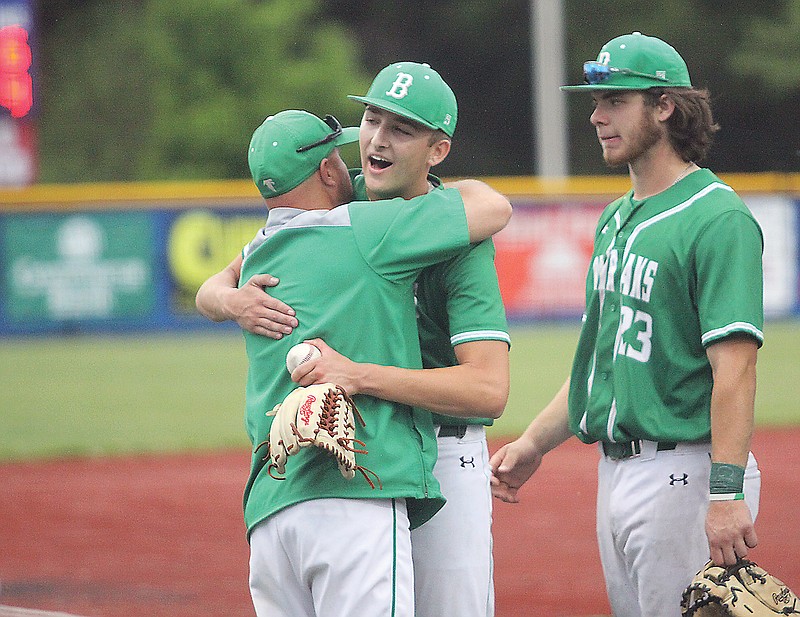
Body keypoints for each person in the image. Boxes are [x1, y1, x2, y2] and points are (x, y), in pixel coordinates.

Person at [196, 62, 511, 617]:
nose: (377, 140)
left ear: (438, 150)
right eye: (371, 119)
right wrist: (231, 299)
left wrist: (359, 376)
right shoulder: (340, 202)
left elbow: (488, 391)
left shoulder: (461, 234)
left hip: (442, 444)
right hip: (359, 446)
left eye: (402, 129)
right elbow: (219, 282)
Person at [490, 32, 764, 617]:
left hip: (685, 474)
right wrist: (535, 443)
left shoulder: (717, 218)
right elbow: (602, 364)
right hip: (616, 472)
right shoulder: (616, 219)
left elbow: (735, 369)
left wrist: (726, 492)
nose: (597, 115)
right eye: (596, 100)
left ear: (664, 106)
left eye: (615, 99)